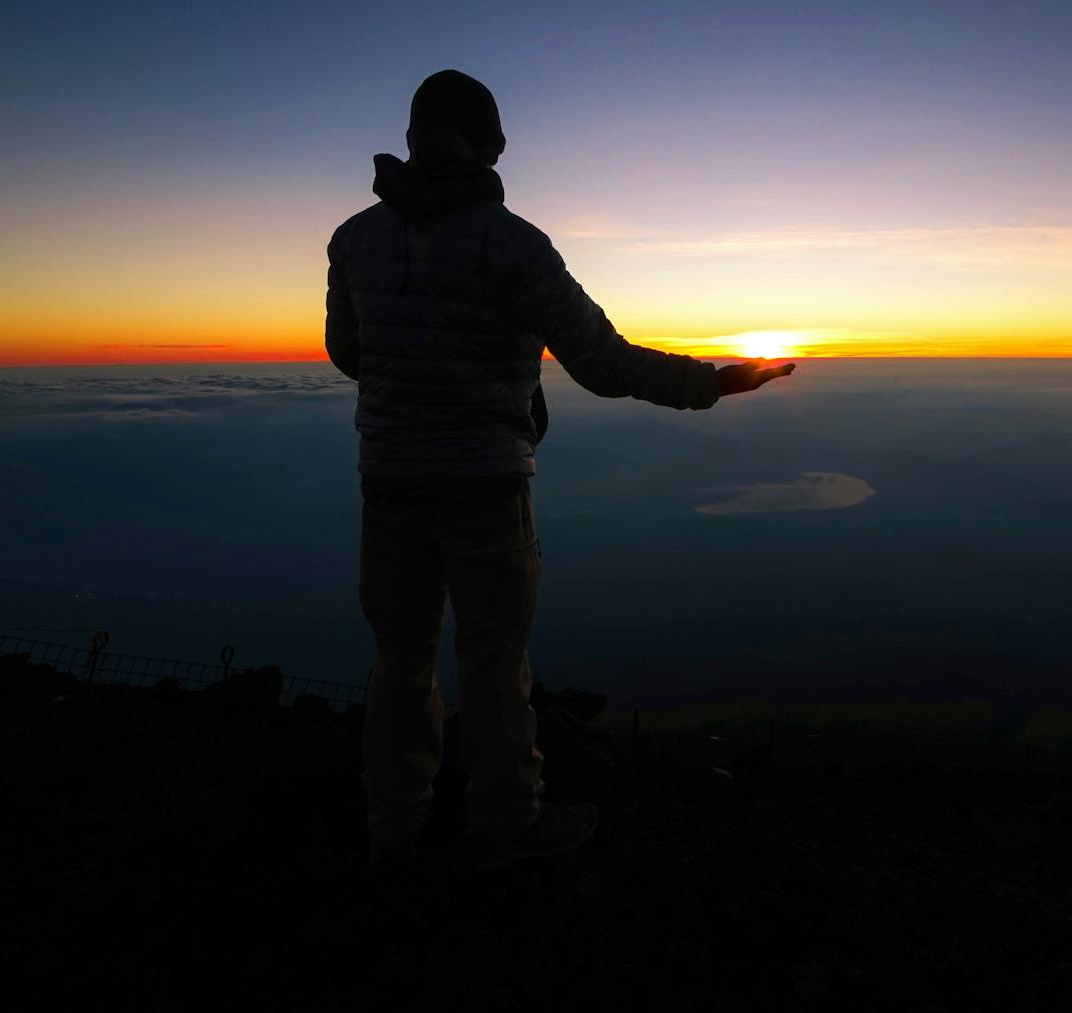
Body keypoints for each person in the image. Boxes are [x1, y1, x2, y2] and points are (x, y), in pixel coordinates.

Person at [325, 70, 793, 872]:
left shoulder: (353, 238)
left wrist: (418, 365)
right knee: (494, 661)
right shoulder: (513, 245)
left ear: (412, 137)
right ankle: (506, 823)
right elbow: (604, 363)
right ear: (490, 145)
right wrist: (715, 381)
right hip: (484, 485)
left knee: (400, 661)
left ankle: (392, 827)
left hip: (388, 479)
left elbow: (348, 353)